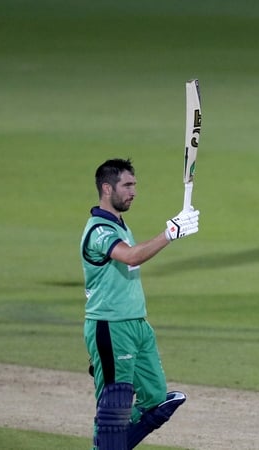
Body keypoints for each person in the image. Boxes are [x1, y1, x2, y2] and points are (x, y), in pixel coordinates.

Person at [80, 158, 199, 449]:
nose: (133, 191)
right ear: (107, 188)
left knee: (156, 400)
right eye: (127, 185)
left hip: (136, 325)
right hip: (110, 326)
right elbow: (131, 256)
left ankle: (108, 439)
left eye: (134, 185)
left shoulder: (119, 225)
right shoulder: (99, 231)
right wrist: (170, 233)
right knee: (116, 409)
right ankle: (108, 438)